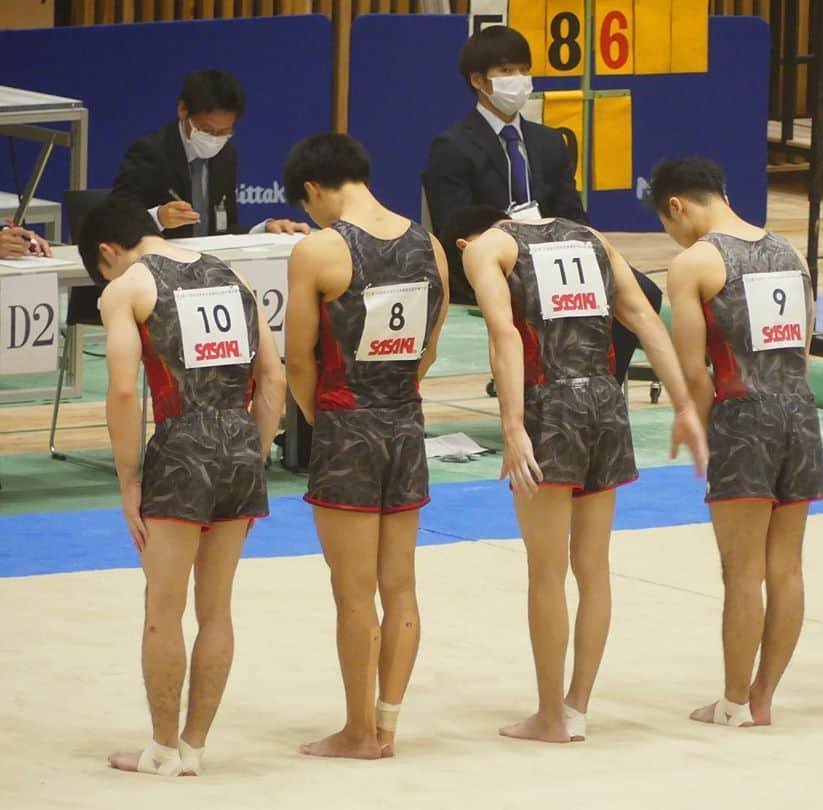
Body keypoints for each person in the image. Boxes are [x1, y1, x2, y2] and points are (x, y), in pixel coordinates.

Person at [441, 204, 707, 743]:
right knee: (594, 568)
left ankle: (548, 716)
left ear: (464, 244)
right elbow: (646, 318)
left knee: (547, 570)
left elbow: (505, 337)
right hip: (606, 402)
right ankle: (577, 706)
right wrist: (683, 405)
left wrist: (513, 426)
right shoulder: (590, 236)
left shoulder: (488, 250)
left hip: (549, 407)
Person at [76, 193, 285, 775]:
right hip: (242, 442)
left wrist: (127, 481)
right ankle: (192, 747)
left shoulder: (127, 288)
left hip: (181, 447)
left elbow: (122, 392)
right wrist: (254, 452)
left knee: (162, 610)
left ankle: (163, 749)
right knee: (216, 609)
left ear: (106, 253)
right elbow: (272, 377)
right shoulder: (235, 277)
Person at [283, 134, 449, 759]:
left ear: (313, 190)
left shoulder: (320, 250)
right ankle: (387, 725)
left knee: (353, 590)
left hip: (346, 426)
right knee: (399, 584)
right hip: (406, 422)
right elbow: (429, 349)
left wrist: (325, 422)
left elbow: (298, 358)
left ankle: (357, 732)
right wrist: (393, 401)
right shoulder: (428, 245)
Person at [649, 158, 823, 727]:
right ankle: (763, 697)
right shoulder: (791, 253)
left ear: (677, 206)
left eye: (666, 223)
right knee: (788, 568)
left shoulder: (694, 263)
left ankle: (732, 703)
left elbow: (696, 372)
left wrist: (695, 424)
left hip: (742, 416)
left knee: (742, 571)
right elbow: (802, 350)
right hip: (799, 411)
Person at [423, 25, 662, 383]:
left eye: (523, 70)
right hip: (492, 263)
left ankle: (599, 388)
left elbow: (573, 214)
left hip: (557, 256)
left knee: (642, 289)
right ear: (478, 80)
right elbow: (454, 226)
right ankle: (546, 389)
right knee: (547, 296)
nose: (518, 79)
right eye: (506, 71)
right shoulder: (452, 145)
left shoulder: (549, 142)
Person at [114, 69, 309, 238]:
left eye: (225, 132)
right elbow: (115, 222)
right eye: (207, 130)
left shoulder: (226, 155)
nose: (215, 140)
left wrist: (265, 230)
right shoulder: (150, 153)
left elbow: (225, 229)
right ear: (183, 110)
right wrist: (158, 218)